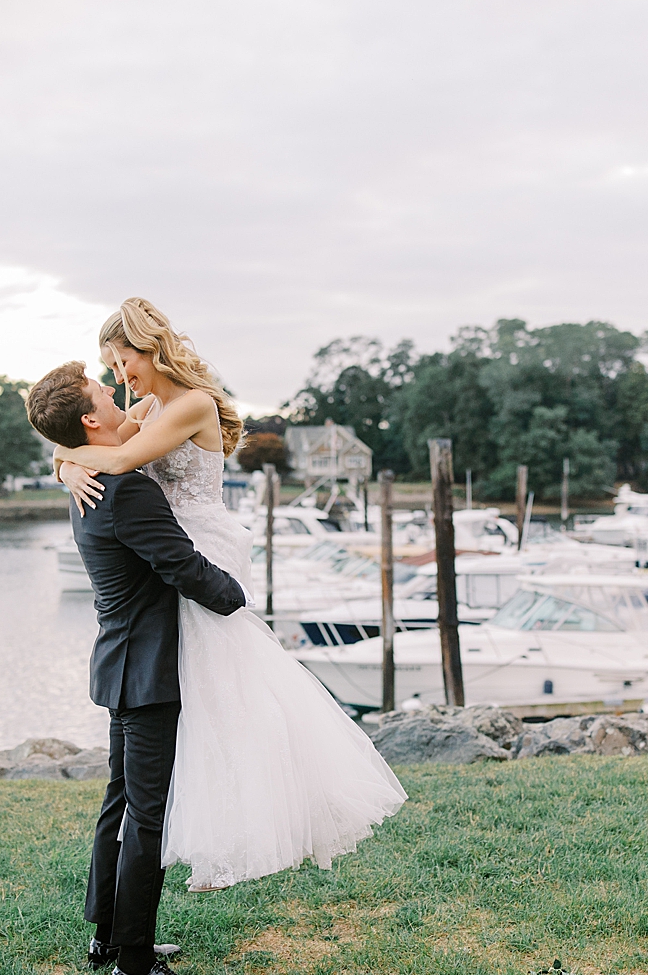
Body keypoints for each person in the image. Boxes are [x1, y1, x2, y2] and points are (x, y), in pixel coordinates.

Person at [52, 298, 407, 895]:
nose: (119, 377)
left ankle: (216, 826)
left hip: (200, 552)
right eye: (110, 369)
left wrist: (66, 460)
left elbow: (115, 456)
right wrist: (63, 461)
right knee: (178, 724)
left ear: (148, 346)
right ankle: (131, 906)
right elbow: (96, 444)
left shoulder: (190, 404)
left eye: (122, 361)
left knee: (224, 696)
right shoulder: (147, 406)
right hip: (174, 551)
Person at [25, 360, 242, 975]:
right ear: (92, 420)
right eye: (103, 393)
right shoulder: (124, 488)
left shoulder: (86, 480)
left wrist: (64, 461)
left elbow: (74, 447)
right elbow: (181, 566)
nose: (117, 395)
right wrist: (240, 603)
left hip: (119, 661)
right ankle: (136, 968)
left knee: (119, 806)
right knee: (146, 817)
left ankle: (108, 936)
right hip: (149, 671)